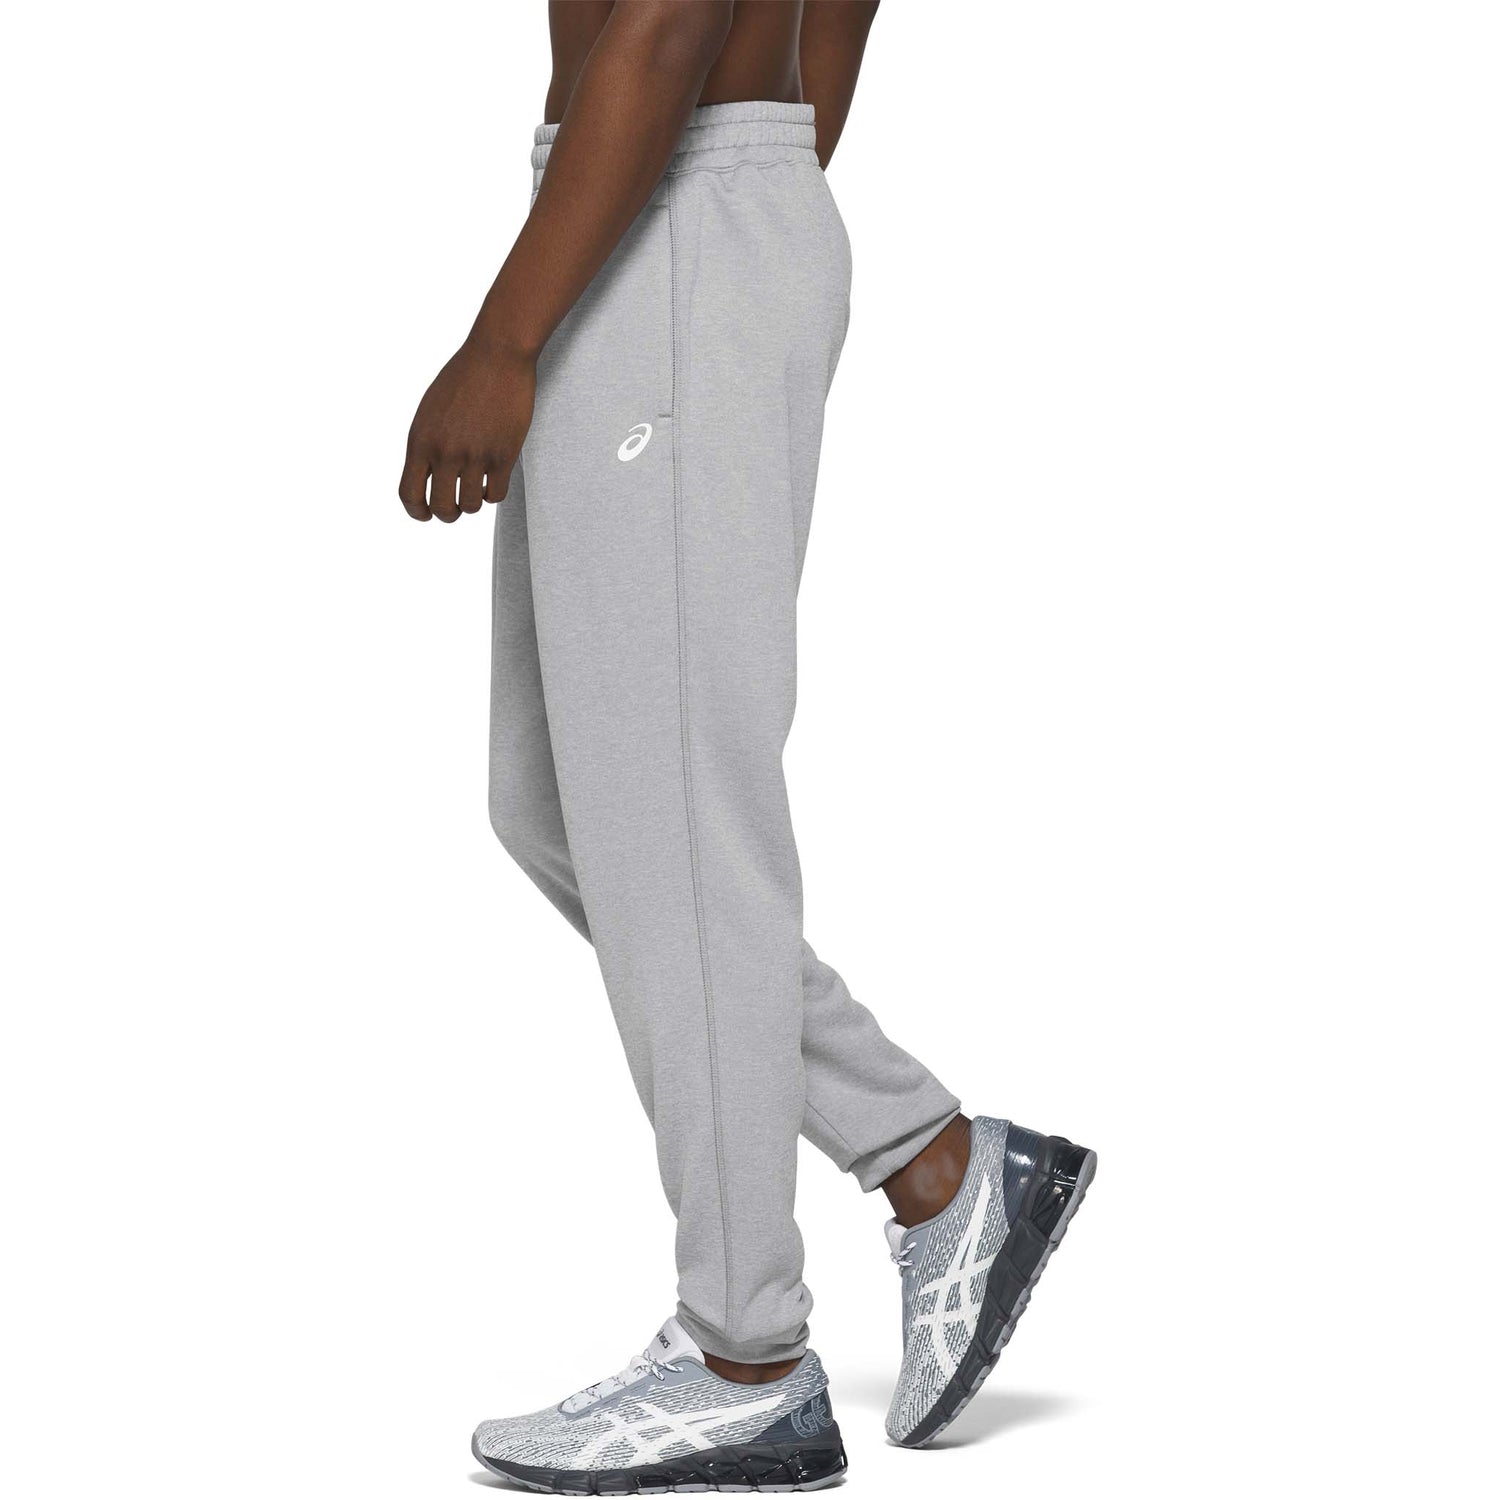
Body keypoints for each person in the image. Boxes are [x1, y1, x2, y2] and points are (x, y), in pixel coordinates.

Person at [399, 2, 1095, 1488]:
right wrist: (754, 193)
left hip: (665, 205)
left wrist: (508, 336)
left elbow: (662, 23)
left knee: (669, 817)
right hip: (678, 203)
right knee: (560, 804)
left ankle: (744, 1354)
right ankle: (936, 1162)